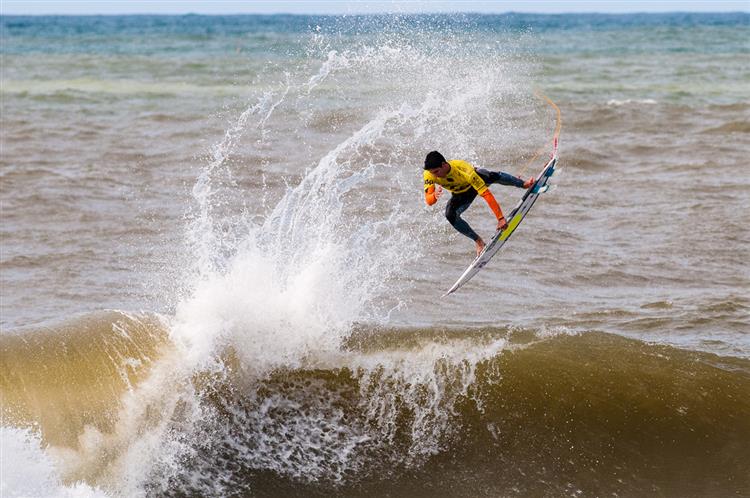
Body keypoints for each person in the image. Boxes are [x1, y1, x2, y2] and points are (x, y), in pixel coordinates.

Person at [423, 151, 534, 257]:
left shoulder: (464, 170)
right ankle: (478, 241)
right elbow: (429, 201)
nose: (435, 176)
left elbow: (486, 194)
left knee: (492, 176)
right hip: (461, 194)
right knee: (450, 215)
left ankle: (523, 184)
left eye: (436, 172)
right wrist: (434, 195)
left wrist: (500, 218)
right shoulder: (429, 174)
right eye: (432, 173)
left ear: (443, 164)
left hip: (476, 179)